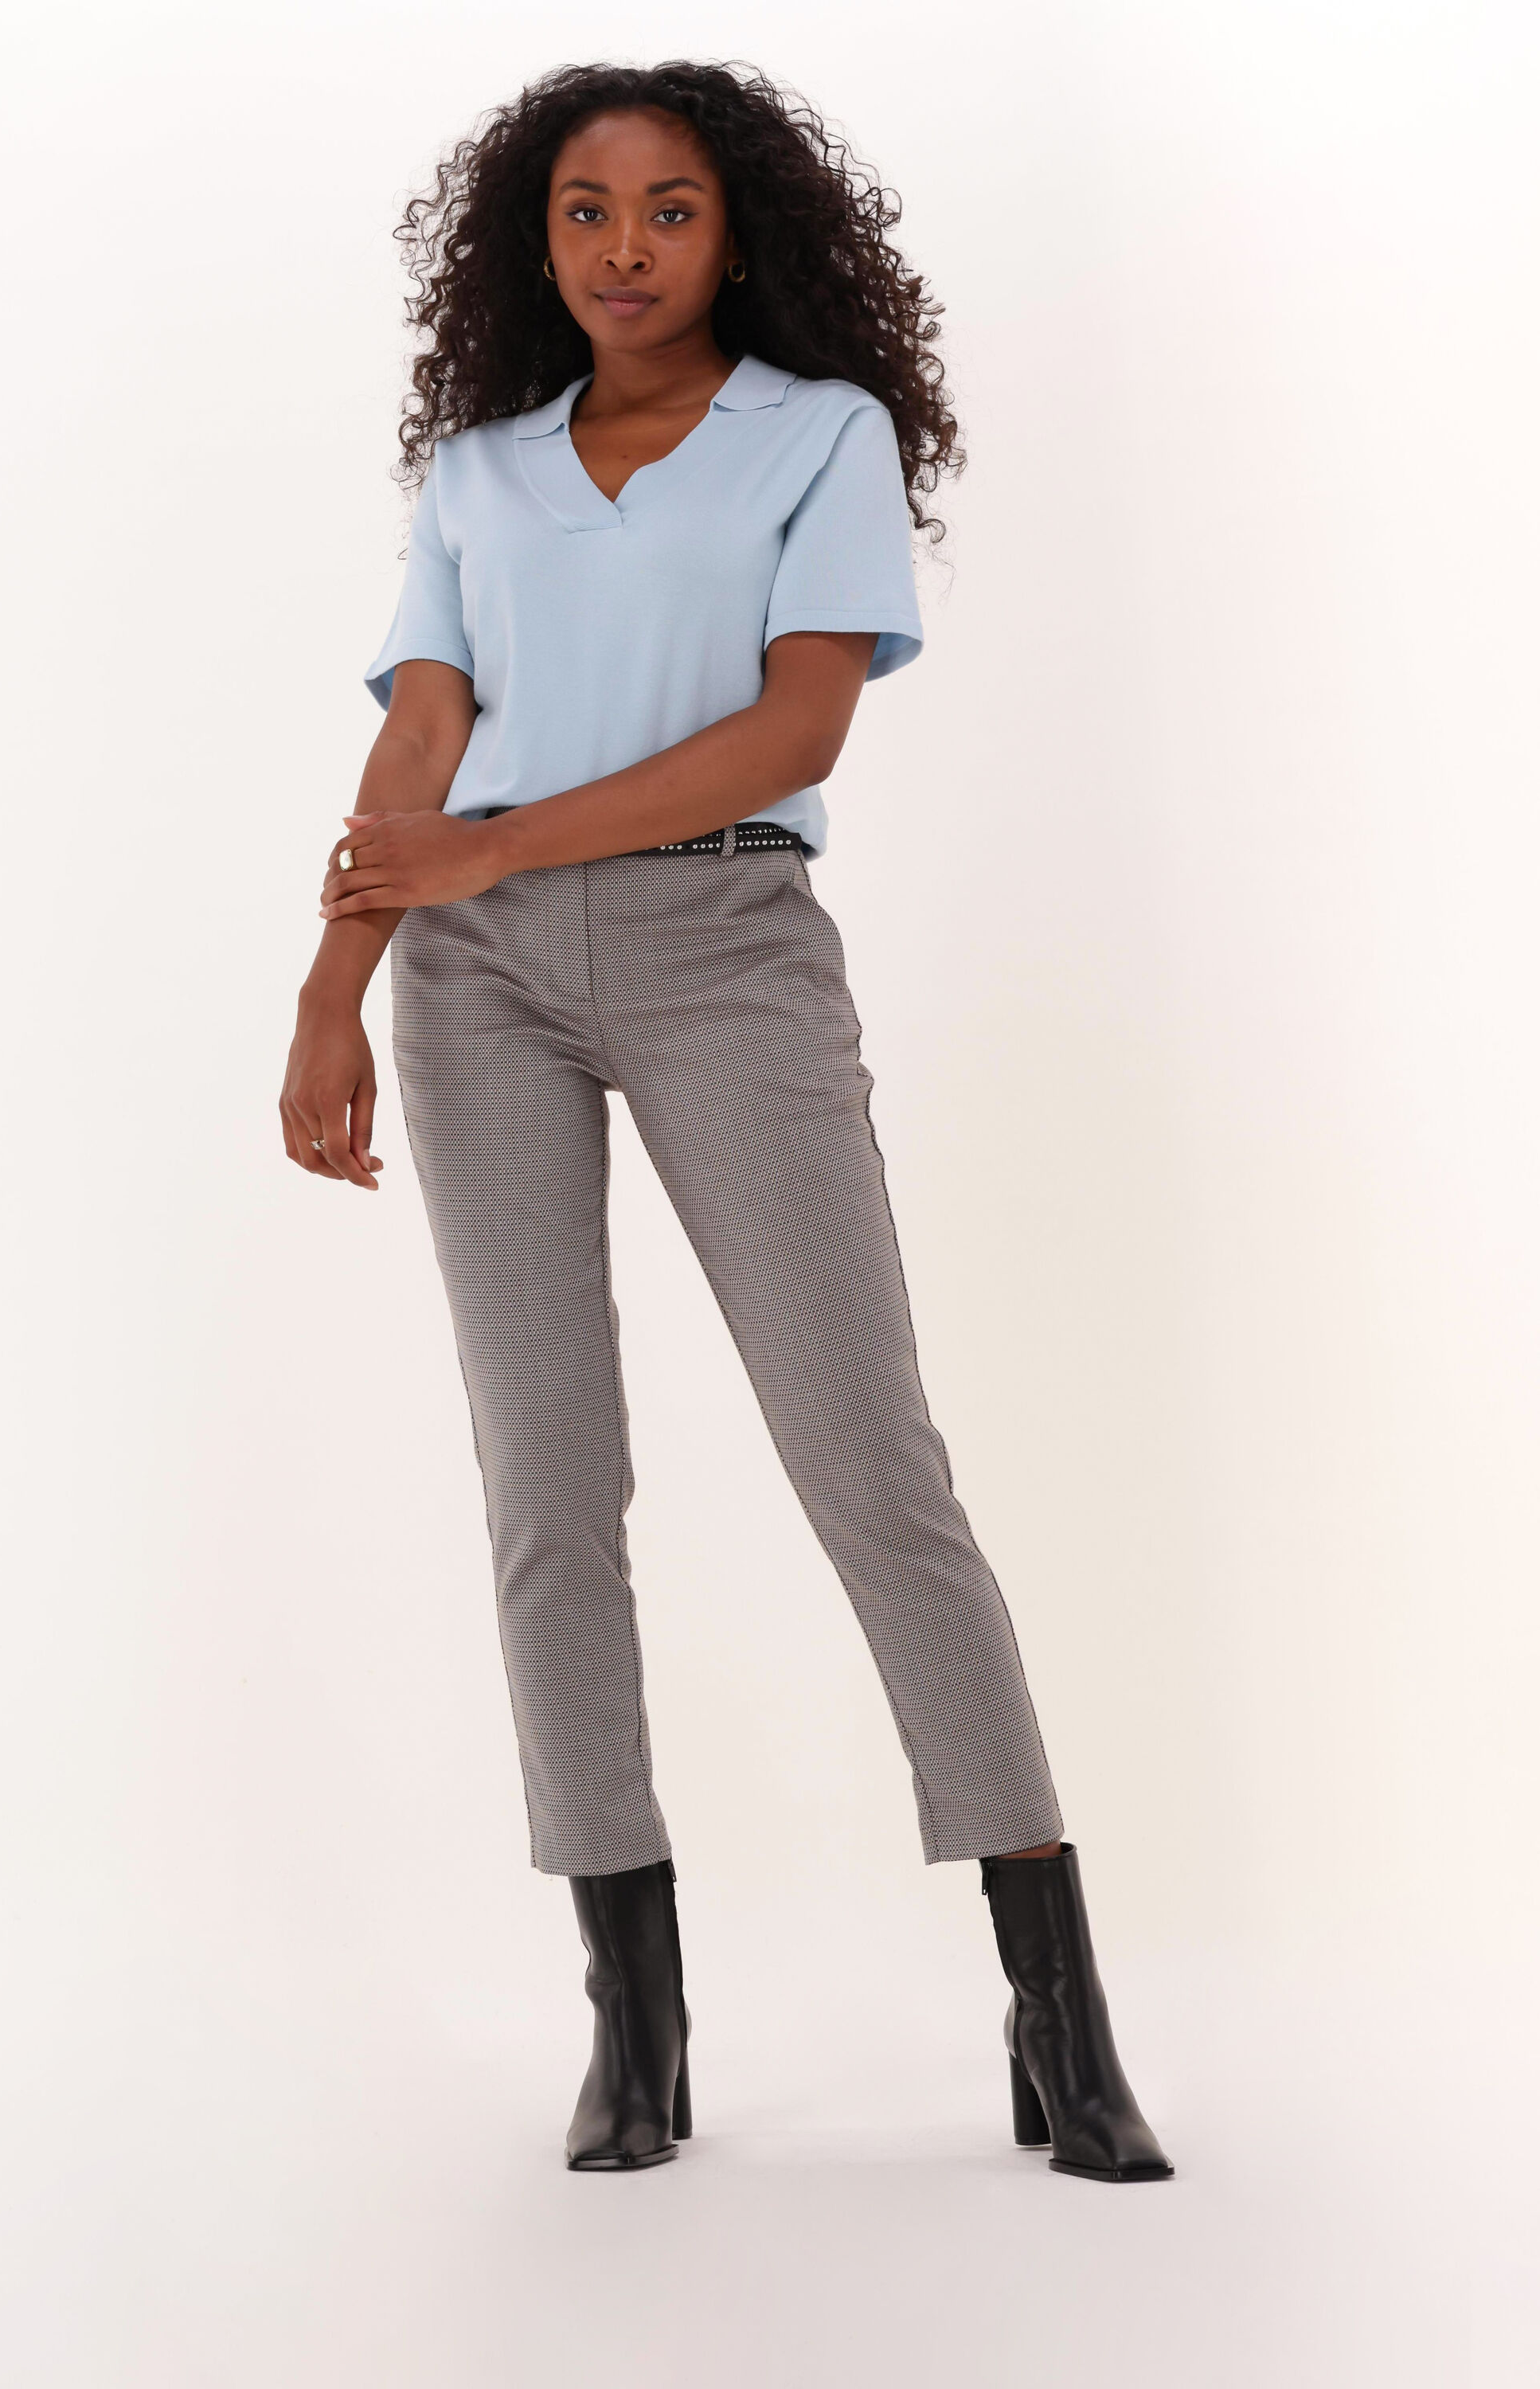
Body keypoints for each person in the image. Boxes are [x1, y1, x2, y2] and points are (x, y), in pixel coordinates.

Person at [279, 59, 1173, 2184]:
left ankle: (1057, 2009)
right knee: (547, 1490)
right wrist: (330, 991)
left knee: (869, 1463)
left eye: (668, 209)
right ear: (536, 240)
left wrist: (502, 848)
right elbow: (422, 741)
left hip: (725, 948)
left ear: (738, 233)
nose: (623, 248)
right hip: (476, 987)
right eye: (584, 211)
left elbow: (794, 728)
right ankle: (636, 2023)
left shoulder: (817, 434)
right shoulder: (480, 473)